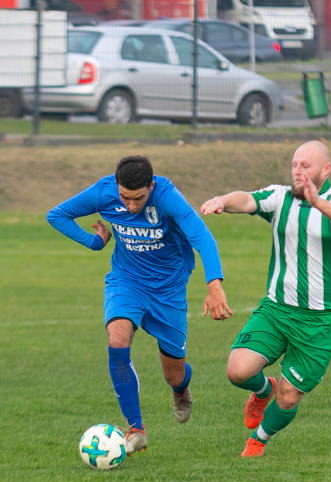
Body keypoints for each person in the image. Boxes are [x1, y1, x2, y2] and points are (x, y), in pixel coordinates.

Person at [47, 155, 230, 455]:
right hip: (126, 281)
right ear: (117, 187)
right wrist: (93, 242)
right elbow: (57, 215)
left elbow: (203, 237)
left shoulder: (168, 198)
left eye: (139, 199)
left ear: (151, 186)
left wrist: (214, 285)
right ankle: (136, 430)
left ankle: (181, 391)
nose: (131, 206)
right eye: (125, 198)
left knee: (174, 373)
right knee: (117, 340)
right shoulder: (103, 192)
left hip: (168, 291)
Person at [200, 140, 331, 457]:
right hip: (277, 310)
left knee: (290, 397)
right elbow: (247, 200)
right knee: (238, 371)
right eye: (295, 165)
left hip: (320, 320)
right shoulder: (280, 197)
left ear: (325, 169)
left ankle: (258, 440)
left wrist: (318, 203)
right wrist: (222, 200)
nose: (298, 171)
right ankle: (263, 391)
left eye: (306, 166)